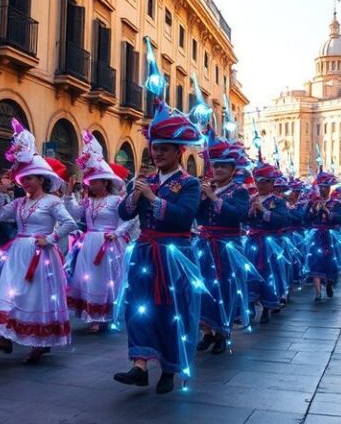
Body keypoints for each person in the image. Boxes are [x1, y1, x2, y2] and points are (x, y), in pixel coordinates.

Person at [113, 102, 203, 394]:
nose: (158, 153)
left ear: (180, 152)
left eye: (165, 148)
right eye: (155, 147)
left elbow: (184, 217)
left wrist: (152, 199)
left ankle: (169, 367)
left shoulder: (190, 184)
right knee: (138, 308)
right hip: (144, 252)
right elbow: (124, 214)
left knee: (170, 311)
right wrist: (134, 196)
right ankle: (139, 365)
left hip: (174, 256)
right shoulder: (146, 180)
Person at [0, 120, 78, 363]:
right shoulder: (18, 202)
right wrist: (1, 193)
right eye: (22, 179)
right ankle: (5, 337)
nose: (24, 182)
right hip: (18, 253)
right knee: (11, 291)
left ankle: (40, 341)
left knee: (35, 296)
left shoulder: (52, 202)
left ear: (42, 180)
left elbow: (70, 224)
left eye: (30, 179)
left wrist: (50, 239)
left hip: (41, 255)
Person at [65, 132, 130, 333]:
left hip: (109, 245)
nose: (90, 185)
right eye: (89, 182)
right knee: (89, 278)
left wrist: (116, 234)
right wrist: (68, 195)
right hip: (89, 244)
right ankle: (92, 315)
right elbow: (76, 213)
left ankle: (104, 315)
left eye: (94, 182)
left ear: (105, 182)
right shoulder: (88, 201)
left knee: (106, 279)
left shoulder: (116, 201)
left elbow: (127, 221)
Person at [195, 139, 250, 354]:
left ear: (232, 170)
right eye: (215, 165)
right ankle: (206, 331)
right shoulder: (207, 188)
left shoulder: (239, 191)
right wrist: (201, 199)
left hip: (227, 246)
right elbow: (197, 216)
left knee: (224, 287)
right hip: (205, 244)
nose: (217, 169)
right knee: (203, 287)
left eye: (222, 166)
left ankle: (222, 332)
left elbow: (238, 215)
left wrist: (212, 198)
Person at [245, 162, 289, 324]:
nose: (261, 185)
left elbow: (282, 221)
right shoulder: (252, 199)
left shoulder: (278, 201)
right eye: (259, 181)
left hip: (270, 243)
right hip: (253, 241)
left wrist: (263, 211)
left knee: (269, 274)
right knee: (250, 272)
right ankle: (249, 304)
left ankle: (267, 307)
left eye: (265, 181)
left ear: (272, 183)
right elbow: (244, 218)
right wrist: (250, 212)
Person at [305, 171, 341, 301]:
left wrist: (327, 212)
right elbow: (305, 218)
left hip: (330, 236)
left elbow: (340, 218)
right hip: (316, 235)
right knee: (315, 261)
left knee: (330, 262)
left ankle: (329, 283)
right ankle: (317, 291)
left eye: (325, 187)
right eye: (321, 187)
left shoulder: (336, 203)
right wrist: (314, 210)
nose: (323, 189)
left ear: (329, 189)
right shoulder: (312, 203)